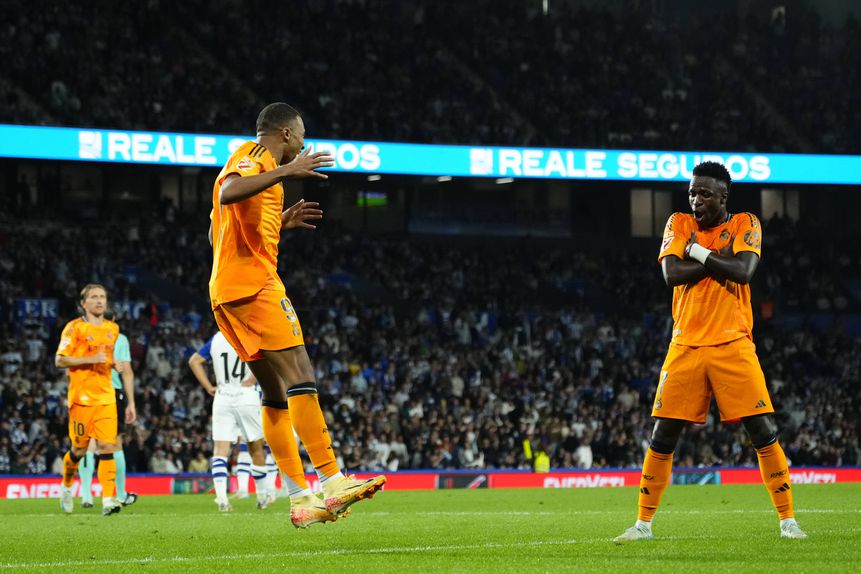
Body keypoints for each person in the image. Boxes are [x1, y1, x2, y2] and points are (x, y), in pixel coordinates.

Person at [208, 102, 386, 528]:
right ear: (286, 134)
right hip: (254, 286)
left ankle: (300, 498)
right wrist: (288, 171)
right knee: (300, 373)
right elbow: (228, 192)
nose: (304, 146)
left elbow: (216, 230)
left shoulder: (259, 170)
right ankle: (332, 479)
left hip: (227, 292)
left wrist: (277, 225)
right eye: (302, 136)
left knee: (273, 393)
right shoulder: (254, 157)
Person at [614, 161, 807, 542]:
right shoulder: (678, 223)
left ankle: (788, 521)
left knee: (762, 428)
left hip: (733, 342)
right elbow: (671, 275)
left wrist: (697, 253)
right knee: (663, 433)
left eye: (704, 193)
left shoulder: (747, 222)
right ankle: (642, 524)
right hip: (685, 342)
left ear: (723, 196)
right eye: (692, 193)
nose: (696, 200)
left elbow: (743, 271)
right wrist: (718, 257)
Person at [188, 330, 276, 511]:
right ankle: (262, 497)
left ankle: (222, 499)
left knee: (220, 450)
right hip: (246, 395)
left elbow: (194, 361)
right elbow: (268, 358)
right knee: (256, 448)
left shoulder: (217, 338)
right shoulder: (250, 335)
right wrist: (254, 378)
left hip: (222, 396)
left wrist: (208, 387)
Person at [55, 284, 122, 516]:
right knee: (79, 450)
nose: (99, 301)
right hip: (81, 400)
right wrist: (91, 359)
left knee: (107, 446)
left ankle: (108, 500)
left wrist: (114, 364)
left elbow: (106, 358)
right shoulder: (74, 328)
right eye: (94, 297)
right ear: (83, 303)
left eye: (102, 297)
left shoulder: (113, 329)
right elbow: (60, 360)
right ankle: (66, 486)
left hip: (106, 397)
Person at [79, 310, 138, 508]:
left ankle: (86, 495)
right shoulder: (120, 338)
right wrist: (131, 403)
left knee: (87, 443)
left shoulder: (84, 335)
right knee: (115, 443)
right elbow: (127, 372)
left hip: (87, 392)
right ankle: (120, 494)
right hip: (111, 392)